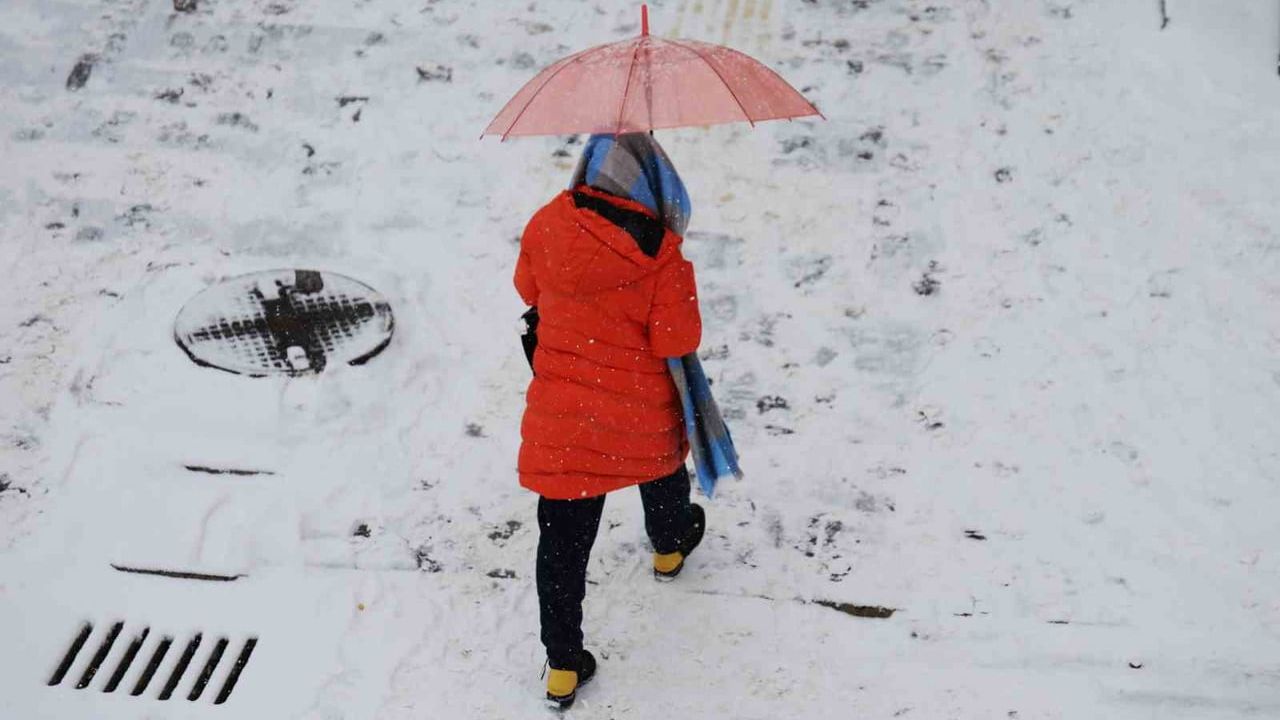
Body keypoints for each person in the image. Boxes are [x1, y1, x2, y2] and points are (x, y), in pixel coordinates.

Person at [513, 132, 707, 709]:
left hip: (564, 418)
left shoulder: (547, 223)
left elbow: (527, 288)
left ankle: (562, 666)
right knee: (661, 462)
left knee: (562, 545)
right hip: (637, 410)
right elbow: (678, 339)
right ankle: (669, 547)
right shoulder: (662, 254)